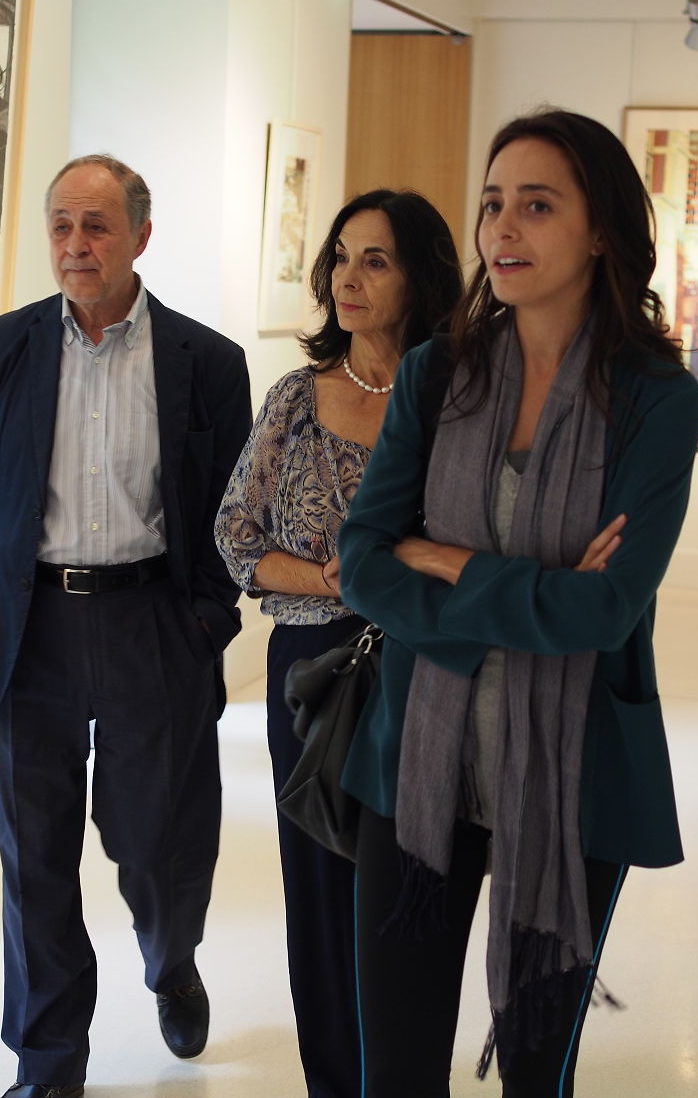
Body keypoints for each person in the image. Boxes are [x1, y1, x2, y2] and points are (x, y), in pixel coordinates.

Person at [337, 109, 698, 1097]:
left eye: (537, 206)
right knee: (396, 1072)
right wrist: (536, 588)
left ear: (601, 231)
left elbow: (605, 612)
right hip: (420, 766)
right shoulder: (437, 373)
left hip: (573, 778)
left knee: (538, 1076)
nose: (503, 227)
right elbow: (363, 563)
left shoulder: (657, 400)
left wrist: (447, 560)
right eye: (494, 202)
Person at [0, 154, 251, 1098]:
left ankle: (171, 961)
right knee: (34, 860)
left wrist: (204, 624)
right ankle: (48, 1066)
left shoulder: (207, 361)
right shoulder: (10, 346)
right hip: (30, 627)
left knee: (156, 844)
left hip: (150, 624)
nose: (75, 245)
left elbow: (231, 515)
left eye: (96, 226)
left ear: (140, 237)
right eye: (61, 226)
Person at [214, 190, 463, 1098]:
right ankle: (333, 1081)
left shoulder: (456, 400)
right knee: (319, 888)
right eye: (342, 257)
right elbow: (235, 533)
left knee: (408, 888)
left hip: (422, 669)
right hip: (312, 675)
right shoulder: (296, 397)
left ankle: (398, 1077)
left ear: (420, 278)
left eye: (376, 260)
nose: (348, 279)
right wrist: (333, 579)